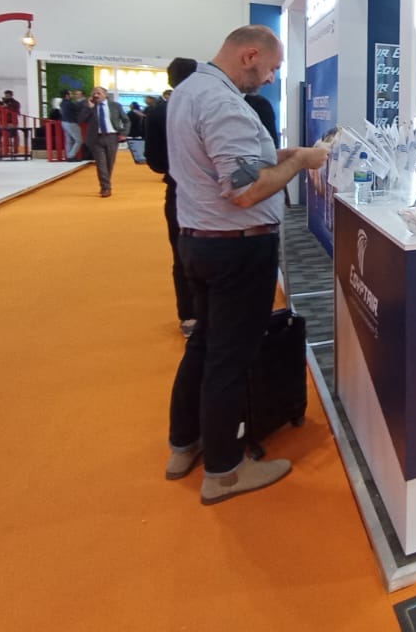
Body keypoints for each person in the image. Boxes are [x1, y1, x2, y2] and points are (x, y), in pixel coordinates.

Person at [165, 26, 328, 505]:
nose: (273, 78)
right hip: (236, 250)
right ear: (250, 55)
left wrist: (286, 154)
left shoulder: (190, 91)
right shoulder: (224, 104)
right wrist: (299, 164)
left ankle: (185, 444)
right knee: (229, 359)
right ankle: (225, 471)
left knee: (204, 346)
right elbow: (245, 189)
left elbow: (234, 163)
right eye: (273, 68)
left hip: (200, 242)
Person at [145, 58, 198, 337]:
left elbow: (153, 161)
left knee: (181, 252)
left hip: (177, 190)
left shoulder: (158, 112)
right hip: (214, 191)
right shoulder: (208, 106)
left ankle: (189, 316)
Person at [75, 86, 128, 197]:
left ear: (105, 95)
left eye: (98, 93)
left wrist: (123, 133)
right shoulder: (89, 106)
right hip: (96, 138)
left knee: (109, 163)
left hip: (112, 137)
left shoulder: (115, 106)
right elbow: (80, 120)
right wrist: (89, 108)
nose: (96, 95)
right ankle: (106, 188)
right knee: (101, 164)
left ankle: (106, 183)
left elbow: (126, 120)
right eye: (94, 93)